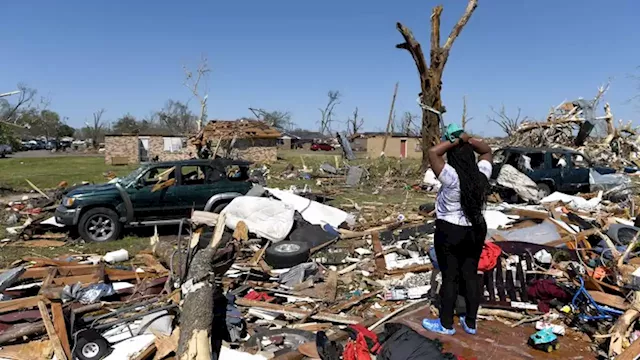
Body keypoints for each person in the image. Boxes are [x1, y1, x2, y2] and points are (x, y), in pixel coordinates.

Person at [422, 132, 492, 336]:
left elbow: (433, 152)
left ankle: (446, 324)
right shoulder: (481, 174)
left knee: (450, 277)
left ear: (453, 158)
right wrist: (468, 140)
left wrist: (457, 141)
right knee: (470, 275)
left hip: (450, 230)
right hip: (476, 228)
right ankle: (470, 322)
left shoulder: (451, 176)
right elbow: (487, 150)